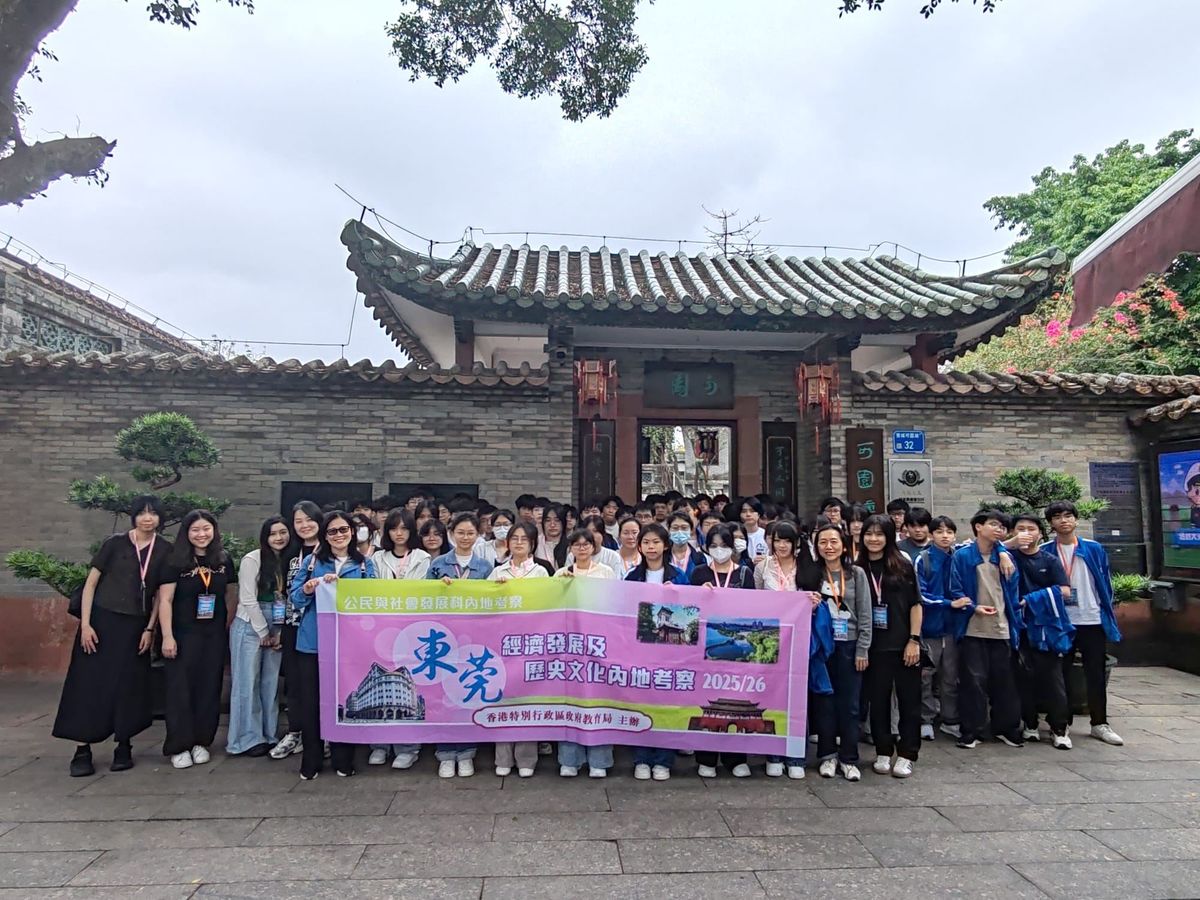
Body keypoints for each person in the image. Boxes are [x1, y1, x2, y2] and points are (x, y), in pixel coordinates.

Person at [53, 495, 171, 777]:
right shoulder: (114, 544)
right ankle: (82, 750)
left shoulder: (165, 549)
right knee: (87, 684)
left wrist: (150, 629)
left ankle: (124, 745)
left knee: (128, 685)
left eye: (153, 513)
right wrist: (86, 625)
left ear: (160, 518)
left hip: (135, 627)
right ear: (133, 516)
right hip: (101, 622)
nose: (147, 518)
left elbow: (159, 595)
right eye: (141, 513)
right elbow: (91, 584)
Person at [290, 510, 377, 779]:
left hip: (349, 645)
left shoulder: (365, 564)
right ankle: (311, 759)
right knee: (311, 702)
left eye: (343, 530)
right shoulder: (313, 562)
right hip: (313, 643)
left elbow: (374, 600)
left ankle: (343, 758)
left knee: (345, 701)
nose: (339, 535)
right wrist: (309, 588)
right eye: (332, 531)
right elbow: (295, 597)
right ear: (325, 536)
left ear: (352, 532)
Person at [1045, 500, 1125, 745]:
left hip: (1091, 619)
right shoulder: (1046, 550)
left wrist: (1106, 611)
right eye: (1057, 517)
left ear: (1076, 519)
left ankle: (1099, 723)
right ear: (1050, 523)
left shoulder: (1093, 548)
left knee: (1096, 673)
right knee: (1061, 674)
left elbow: (1105, 582)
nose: (1063, 520)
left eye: (1068, 515)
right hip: (1062, 622)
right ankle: (1061, 725)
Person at [159, 510, 233, 770]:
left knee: (209, 688)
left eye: (206, 529)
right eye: (195, 530)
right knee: (180, 690)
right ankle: (179, 745)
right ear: (186, 533)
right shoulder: (175, 561)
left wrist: (227, 626)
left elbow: (229, 594)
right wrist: (167, 636)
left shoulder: (223, 559)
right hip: (183, 634)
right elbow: (165, 600)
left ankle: (202, 741)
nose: (202, 534)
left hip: (213, 635)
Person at [427, 512, 493, 777]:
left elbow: (494, 601)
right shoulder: (438, 564)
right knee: (443, 696)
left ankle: (466, 752)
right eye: (461, 533)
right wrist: (437, 588)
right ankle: (445, 753)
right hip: (444, 639)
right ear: (451, 534)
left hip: (474, 639)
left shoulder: (485, 566)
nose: (465, 538)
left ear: (478, 535)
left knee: (468, 693)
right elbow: (422, 599)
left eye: (470, 533)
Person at [951, 510, 1023, 750]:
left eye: (1002, 527)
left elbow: (1013, 592)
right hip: (973, 627)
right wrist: (974, 607)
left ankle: (1006, 728)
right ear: (978, 527)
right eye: (993, 524)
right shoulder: (962, 556)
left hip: (1002, 627)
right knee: (973, 682)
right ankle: (972, 730)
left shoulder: (1006, 557)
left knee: (1005, 682)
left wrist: (1002, 552)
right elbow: (955, 589)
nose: (999, 529)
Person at [857, 515, 923, 778]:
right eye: (869, 534)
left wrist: (914, 640)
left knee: (909, 701)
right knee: (878, 701)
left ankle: (907, 753)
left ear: (889, 537)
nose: (873, 539)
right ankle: (883, 750)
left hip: (903, 643)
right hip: (873, 646)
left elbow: (916, 605)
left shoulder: (902, 565)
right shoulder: (857, 567)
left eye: (879, 534)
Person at [366, 508, 431, 770]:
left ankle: (408, 747)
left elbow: (420, 591)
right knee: (380, 687)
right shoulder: (377, 558)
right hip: (381, 629)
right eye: (394, 528)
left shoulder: (422, 557)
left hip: (411, 629)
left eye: (404, 528)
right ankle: (380, 745)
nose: (399, 533)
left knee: (408, 688)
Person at [689, 524, 755, 779]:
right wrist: (699, 595)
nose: (719, 550)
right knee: (706, 701)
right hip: (706, 646)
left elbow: (756, 608)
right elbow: (689, 608)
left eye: (724, 545)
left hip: (737, 648)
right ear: (706, 547)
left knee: (736, 701)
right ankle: (706, 757)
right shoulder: (699, 572)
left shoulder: (744, 574)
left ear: (733, 547)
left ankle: (735, 757)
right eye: (714, 545)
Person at [227, 516, 294, 758]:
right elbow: (247, 598)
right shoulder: (252, 559)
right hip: (250, 623)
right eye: (273, 533)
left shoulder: (290, 560)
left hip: (278, 621)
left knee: (270, 682)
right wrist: (263, 631)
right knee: (247, 682)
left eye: (283, 532)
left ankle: (269, 734)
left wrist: (280, 631)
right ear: (265, 537)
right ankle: (246, 739)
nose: (279, 538)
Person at [625, 522, 687, 781]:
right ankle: (641, 759)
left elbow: (690, 614)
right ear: (639, 547)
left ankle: (663, 760)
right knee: (640, 703)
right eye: (646, 542)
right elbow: (623, 611)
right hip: (640, 651)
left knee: (666, 705)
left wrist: (677, 595)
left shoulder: (679, 576)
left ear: (665, 545)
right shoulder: (632, 577)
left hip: (670, 652)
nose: (651, 547)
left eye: (656, 542)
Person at [554, 528, 616, 777]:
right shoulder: (561, 573)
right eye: (577, 544)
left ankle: (599, 761)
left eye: (586, 544)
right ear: (570, 548)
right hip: (569, 645)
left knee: (598, 701)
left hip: (599, 644)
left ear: (593, 547)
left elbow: (615, 603)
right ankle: (570, 759)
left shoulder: (606, 572)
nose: (581, 548)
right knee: (570, 701)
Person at [1009, 512, 1074, 750]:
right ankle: (1030, 723)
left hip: (1047, 627)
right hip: (1018, 626)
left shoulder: (1049, 560)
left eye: (1031, 529)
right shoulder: (1008, 557)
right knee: (1023, 677)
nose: (1026, 533)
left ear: (1040, 533)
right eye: (1020, 528)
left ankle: (1059, 727)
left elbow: (1065, 591)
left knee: (1052, 679)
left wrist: (1031, 599)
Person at [812, 522, 871, 781]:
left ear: (844, 545)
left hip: (850, 644)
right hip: (822, 646)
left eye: (833, 541)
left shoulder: (856, 573)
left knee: (850, 705)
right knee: (824, 701)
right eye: (823, 542)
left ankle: (849, 758)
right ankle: (827, 755)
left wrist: (863, 649)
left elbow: (865, 613)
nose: (829, 547)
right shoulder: (812, 574)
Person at [488, 521, 545, 777]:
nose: (519, 543)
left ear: (532, 544)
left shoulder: (541, 573)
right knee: (502, 697)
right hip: (501, 643)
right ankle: (503, 757)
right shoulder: (497, 571)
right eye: (514, 538)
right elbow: (483, 605)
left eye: (524, 539)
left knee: (528, 699)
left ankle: (526, 759)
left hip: (532, 643)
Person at [271, 501, 322, 761]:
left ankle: (321, 734)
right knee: (294, 682)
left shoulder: (328, 551)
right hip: (292, 624)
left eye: (309, 519)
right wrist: (279, 626)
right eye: (298, 521)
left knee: (318, 683)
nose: (304, 525)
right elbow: (280, 592)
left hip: (320, 627)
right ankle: (295, 732)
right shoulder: (290, 552)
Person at [914, 515, 968, 741]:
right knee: (925, 677)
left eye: (949, 532)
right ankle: (925, 719)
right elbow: (920, 594)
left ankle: (949, 719)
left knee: (951, 677)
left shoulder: (960, 556)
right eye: (939, 532)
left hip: (953, 628)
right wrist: (948, 603)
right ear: (931, 534)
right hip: (930, 628)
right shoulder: (923, 559)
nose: (945, 536)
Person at [754, 521, 801, 592]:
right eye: (777, 540)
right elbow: (756, 594)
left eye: (787, 541)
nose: (782, 545)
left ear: (797, 542)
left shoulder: (805, 566)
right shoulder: (762, 566)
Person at [666, 511, 706, 578]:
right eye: (675, 528)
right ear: (669, 530)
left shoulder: (700, 558)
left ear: (691, 530)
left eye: (684, 528)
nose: (679, 531)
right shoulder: (662, 556)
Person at [739, 497, 769, 563]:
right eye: (744, 511)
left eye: (752, 511)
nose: (748, 514)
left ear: (759, 514)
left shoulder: (766, 534)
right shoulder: (736, 535)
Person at [538, 503, 568, 568]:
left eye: (557, 520)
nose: (552, 525)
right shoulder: (536, 543)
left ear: (563, 522)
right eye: (548, 520)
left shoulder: (571, 545)